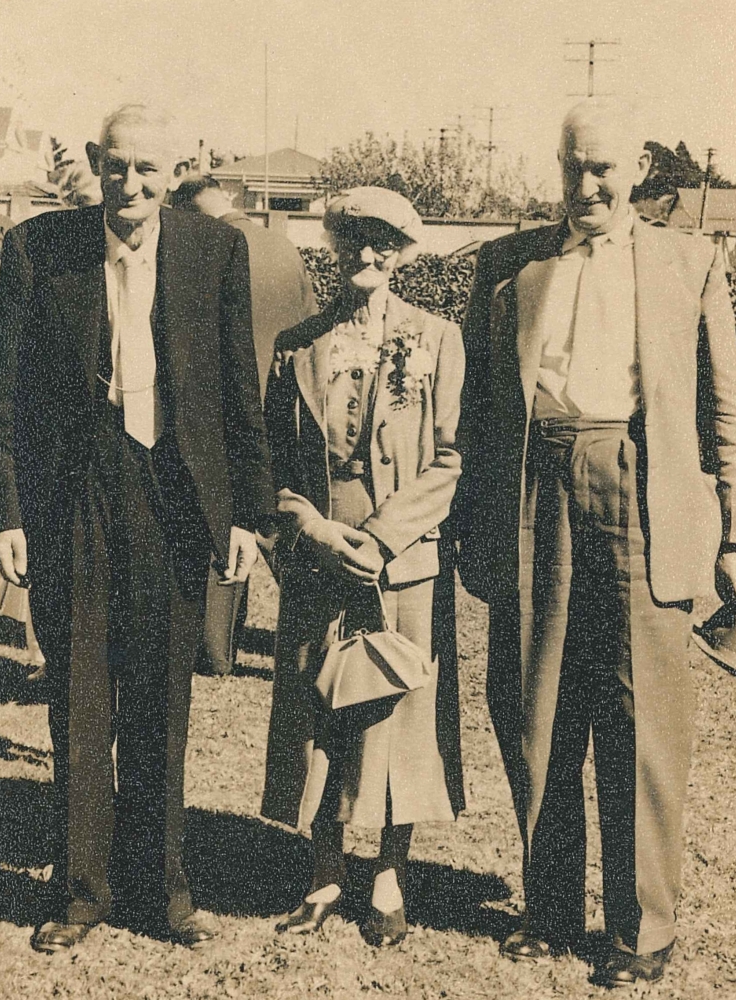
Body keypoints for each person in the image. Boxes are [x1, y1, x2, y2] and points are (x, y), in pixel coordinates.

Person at [457, 99, 736, 987]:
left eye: (602, 168)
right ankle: (548, 909)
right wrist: (473, 516)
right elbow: (481, 411)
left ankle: (642, 929)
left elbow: (726, 409)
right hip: (533, 486)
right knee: (535, 704)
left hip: (641, 491)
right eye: (570, 167)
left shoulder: (690, 261)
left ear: (636, 168)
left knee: (640, 716)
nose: (585, 185)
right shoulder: (509, 263)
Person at [0, 104, 274, 953]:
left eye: (148, 170)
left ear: (176, 171)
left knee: (160, 698)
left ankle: (162, 889)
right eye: (117, 168)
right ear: (94, 164)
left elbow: (236, 391)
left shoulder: (216, 250)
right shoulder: (41, 248)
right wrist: (2, 514)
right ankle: (81, 891)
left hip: (175, 495)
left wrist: (249, 514)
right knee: (77, 696)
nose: (131, 186)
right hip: (74, 494)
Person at [261, 186, 465, 946]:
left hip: (402, 557)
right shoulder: (297, 342)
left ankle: (388, 875)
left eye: (383, 242)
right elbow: (272, 463)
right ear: (333, 245)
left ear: (404, 253)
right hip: (319, 555)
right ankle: (322, 874)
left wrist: (381, 539)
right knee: (321, 709)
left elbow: (451, 460)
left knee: (394, 714)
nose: (367, 255)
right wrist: (309, 525)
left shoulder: (436, 338)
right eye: (353, 239)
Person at [171, 175, 317, 675]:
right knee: (278, 521)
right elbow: (311, 320)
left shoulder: (203, 251)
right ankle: (307, 634)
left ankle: (214, 650)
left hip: (224, 405)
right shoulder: (284, 246)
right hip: (283, 403)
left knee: (218, 516)